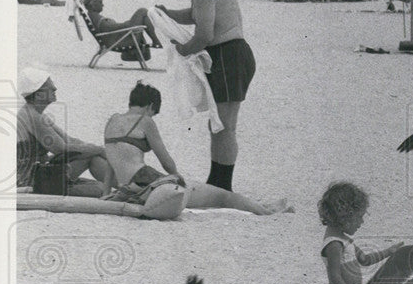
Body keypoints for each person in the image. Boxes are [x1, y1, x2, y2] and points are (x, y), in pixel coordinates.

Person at [155, 0, 255, 193]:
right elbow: (198, 14)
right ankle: (217, 181)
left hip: (229, 55)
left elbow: (204, 35)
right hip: (233, 54)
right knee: (219, 124)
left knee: (224, 125)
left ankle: (223, 185)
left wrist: (182, 50)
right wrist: (168, 14)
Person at [102, 82, 289, 214]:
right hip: (145, 181)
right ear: (150, 106)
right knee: (221, 197)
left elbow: (111, 162)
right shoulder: (145, 121)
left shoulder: (112, 121)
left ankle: (262, 207)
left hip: (127, 186)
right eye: (154, 112)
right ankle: (266, 211)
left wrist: (105, 194)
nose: (153, 116)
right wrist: (178, 178)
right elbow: (166, 161)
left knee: (211, 196)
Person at [16, 68, 111, 195]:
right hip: (31, 180)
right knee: (100, 188)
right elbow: (61, 149)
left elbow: (69, 140)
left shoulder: (34, 113)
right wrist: (99, 150)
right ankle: (128, 187)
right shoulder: (33, 117)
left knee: (92, 157)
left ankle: (126, 187)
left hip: (40, 173)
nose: (55, 88)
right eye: (50, 86)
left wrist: (95, 148)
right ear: (38, 95)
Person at [81, 0, 161, 48]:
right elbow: (109, 28)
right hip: (120, 41)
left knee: (144, 15)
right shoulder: (94, 16)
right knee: (142, 11)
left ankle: (157, 41)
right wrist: (126, 24)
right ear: (93, 5)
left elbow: (108, 28)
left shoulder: (93, 16)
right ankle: (157, 40)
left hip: (120, 37)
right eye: (100, 3)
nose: (103, 5)